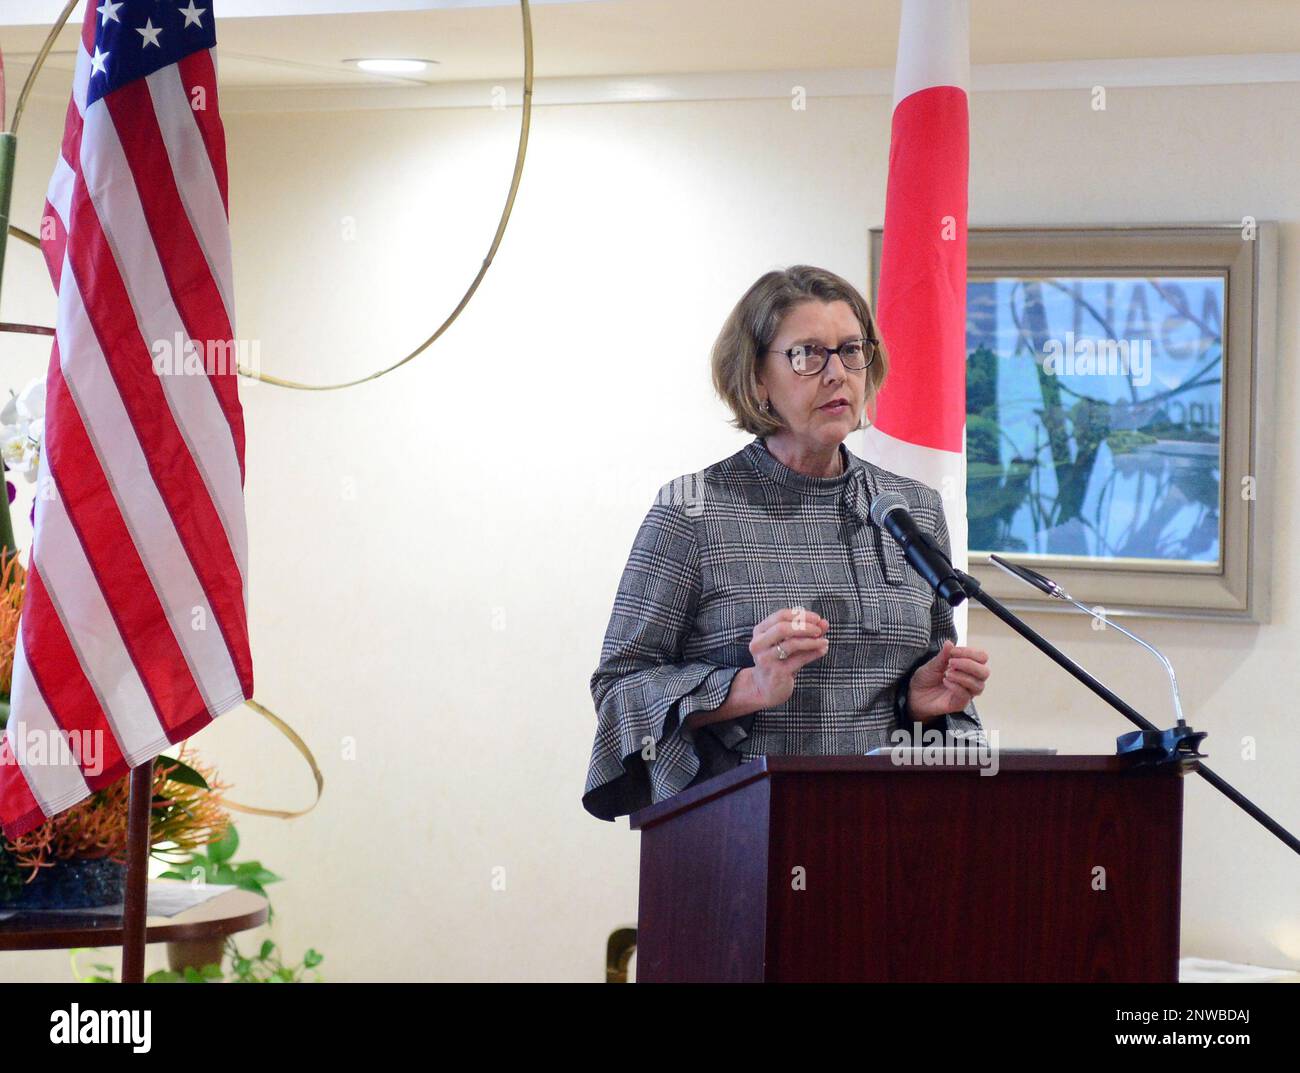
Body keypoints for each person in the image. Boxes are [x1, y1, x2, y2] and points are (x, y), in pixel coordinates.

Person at [582, 264, 990, 821]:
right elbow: (619, 690)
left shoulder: (910, 508)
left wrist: (919, 703)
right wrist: (748, 686)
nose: (836, 374)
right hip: (743, 836)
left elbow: (925, 687)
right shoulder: (694, 508)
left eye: (851, 350)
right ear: (756, 379)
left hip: (891, 833)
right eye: (806, 354)